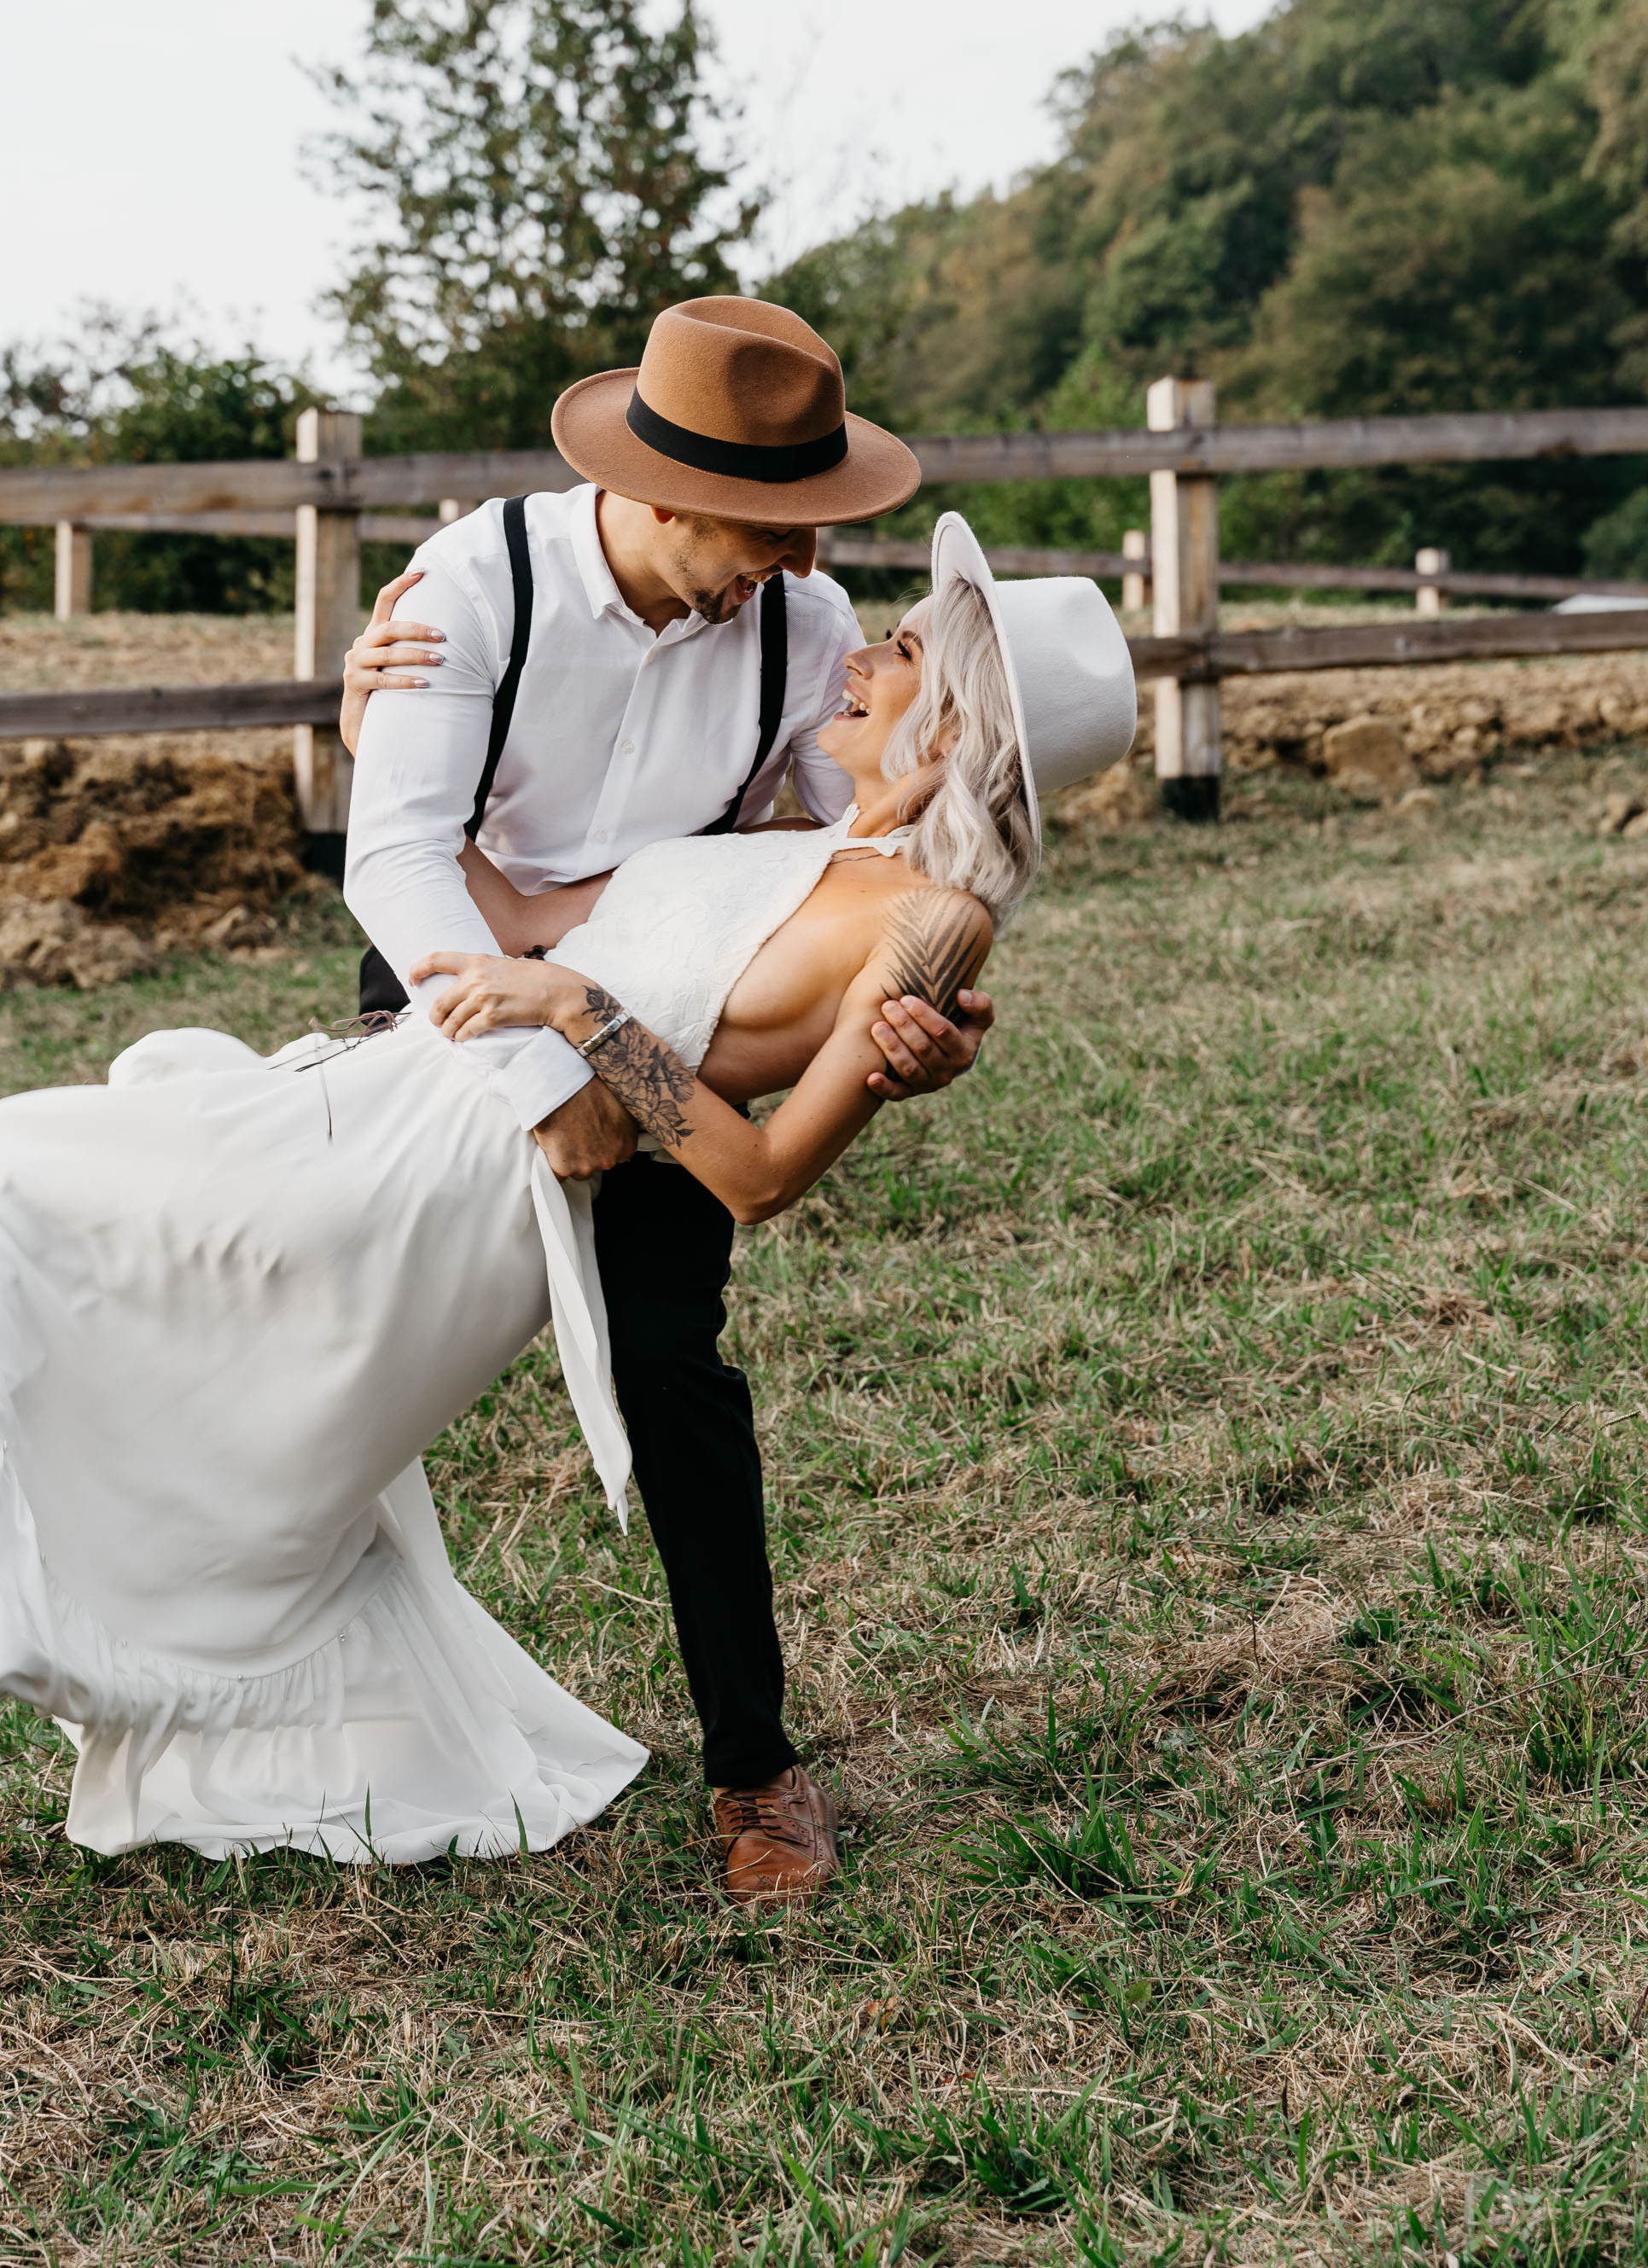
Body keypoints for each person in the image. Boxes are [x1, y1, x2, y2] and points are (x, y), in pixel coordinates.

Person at [0, 516, 1137, 1879]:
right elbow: (517, 911)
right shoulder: (776, 821)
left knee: (75, 1237)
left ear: (953, 727)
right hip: (417, 1078)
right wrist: (394, 749)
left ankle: (756, 1772)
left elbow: (760, 1173)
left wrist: (584, 1019)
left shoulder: (920, 924)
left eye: (897, 653)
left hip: (457, 1175)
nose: (853, 653)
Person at [337, 296, 995, 1899]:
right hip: (455, 986)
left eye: (806, 530)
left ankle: (757, 1773)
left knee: (671, 1361)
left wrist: (926, 1016)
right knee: (344, 1340)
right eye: (765, 531)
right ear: (656, 488)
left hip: (664, 1016)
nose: (796, 565)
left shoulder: (800, 629)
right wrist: (528, 1061)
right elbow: (396, 856)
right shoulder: (472, 588)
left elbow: (853, 850)